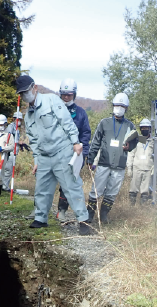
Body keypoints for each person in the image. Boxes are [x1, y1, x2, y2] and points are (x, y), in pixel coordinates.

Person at [16, 75, 92, 235]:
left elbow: (67, 122)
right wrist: (36, 160)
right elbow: (34, 141)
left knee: (71, 187)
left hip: (62, 152)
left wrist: (76, 142)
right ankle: (40, 218)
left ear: (34, 88)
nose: (25, 95)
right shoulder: (28, 115)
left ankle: (84, 220)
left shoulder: (51, 100)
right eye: (22, 93)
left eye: (27, 91)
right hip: (44, 157)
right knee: (42, 189)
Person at [86, 93, 138, 225]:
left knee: (112, 192)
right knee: (96, 190)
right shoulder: (104, 123)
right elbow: (95, 142)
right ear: (113, 105)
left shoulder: (129, 126)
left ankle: (103, 216)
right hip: (104, 162)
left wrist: (129, 146)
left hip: (119, 164)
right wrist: (90, 158)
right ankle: (89, 216)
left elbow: (134, 141)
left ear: (126, 108)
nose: (119, 108)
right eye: (117, 105)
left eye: (122, 106)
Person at [55, 79, 92, 223]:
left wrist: (83, 154)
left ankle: (62, 211)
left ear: (74, 95)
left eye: (69, 95)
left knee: (68, 184)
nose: (66, 97)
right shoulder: (53, 110)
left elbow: (85, 135)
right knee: (45, 181)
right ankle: (39, 211)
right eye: (63, 94)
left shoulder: (81, 113)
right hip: (54, 152)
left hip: (72, 155)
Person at [127, 118, 154, 206]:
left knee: (145, 190)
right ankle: (131, 206)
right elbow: (131, 154)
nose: (144, 130)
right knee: (133, 189)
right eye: (142, 128)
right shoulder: (137, 140)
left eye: (146, 128)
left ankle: (143, 207)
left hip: (148, 169)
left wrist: (154, 167)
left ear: (150, 129)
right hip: (136, 168)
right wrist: (129, 168)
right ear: (140, 129)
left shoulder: (153, 142)